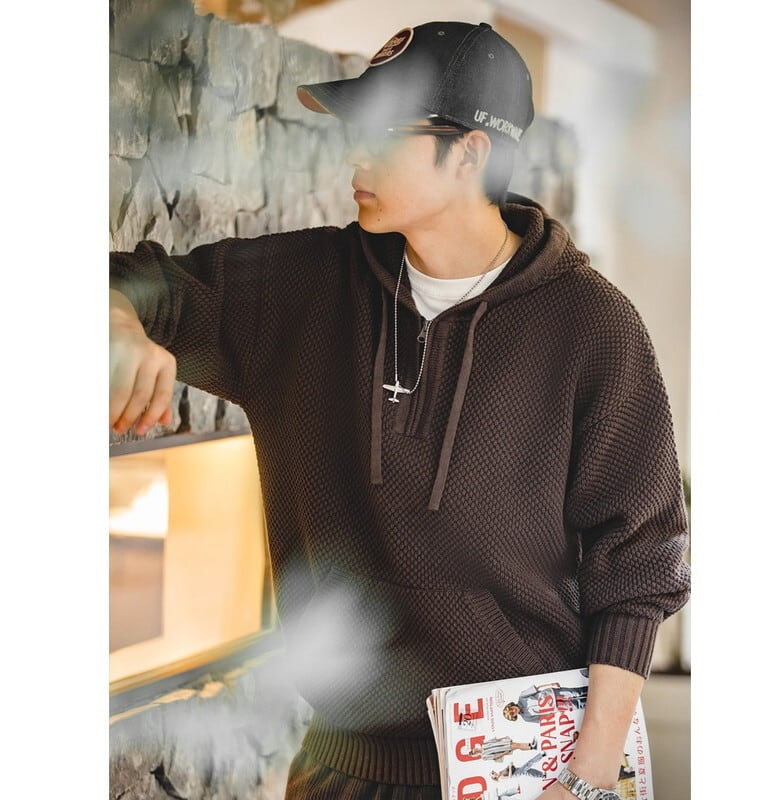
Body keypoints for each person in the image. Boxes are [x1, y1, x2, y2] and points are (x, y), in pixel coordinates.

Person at [109, 20, 690, 800]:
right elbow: (128, 282)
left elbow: (639, 568)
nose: (356, 156)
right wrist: (122, 330)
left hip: (523, 770)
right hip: (341, 766)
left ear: (470, 154)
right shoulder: (308, 285)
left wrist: (587, 778)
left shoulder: (592, 326)